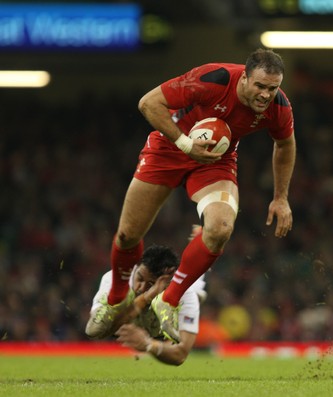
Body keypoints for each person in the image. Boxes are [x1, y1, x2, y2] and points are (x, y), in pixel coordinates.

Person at [86, 48, 296, 342]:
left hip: (215, 162)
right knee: (127, 235)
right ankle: (116, 297)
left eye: (272, 89)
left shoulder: (279, 107)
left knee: (221, 227)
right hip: (168, 149)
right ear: (245, 78)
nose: (265, 95)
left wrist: (281, 197)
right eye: (260, 86)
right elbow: (148, 103)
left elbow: (285, 145)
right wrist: (185, 143)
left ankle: (168, 300)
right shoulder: (214, 79)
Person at [86, 227, 206, 366]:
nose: (141, 288)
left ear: (167, 283)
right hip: (141, 317)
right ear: (135, 268)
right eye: (140, 278)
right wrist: (146, 297)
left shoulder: (186, 295)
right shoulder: (115, 280)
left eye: (151, 284)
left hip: (177, 301)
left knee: (194, 289)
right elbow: (98, 331)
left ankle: (200, 245)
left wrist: (149, 345)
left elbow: (180, 355)